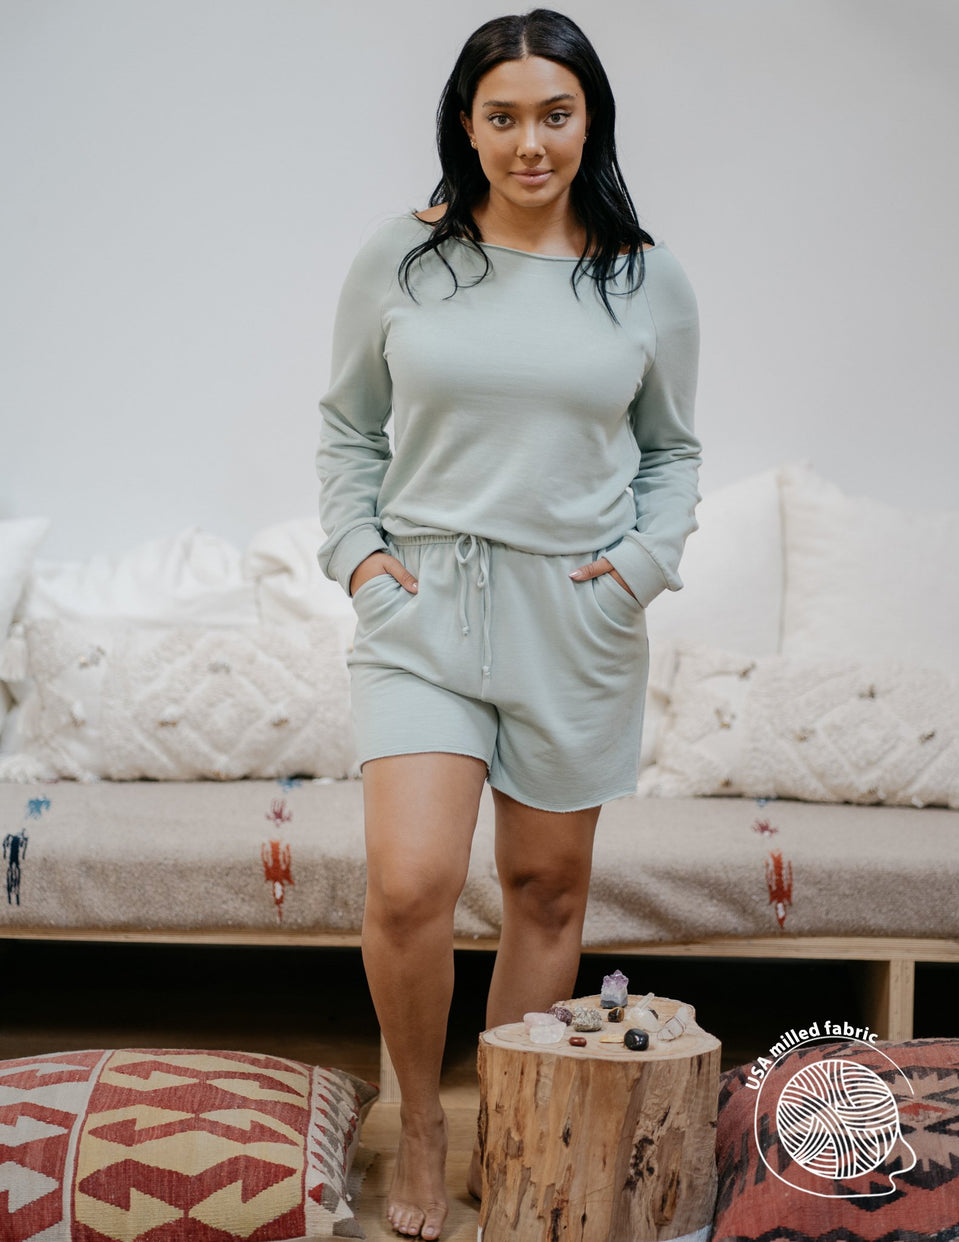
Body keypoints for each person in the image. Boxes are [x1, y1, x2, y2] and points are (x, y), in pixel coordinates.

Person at [315, 9, 702, 1237]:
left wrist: (638, 568)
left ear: (589, 122)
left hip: (575, 620)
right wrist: (358, 557)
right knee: (411, 885)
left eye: (555, 114)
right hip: (425, 605)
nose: (531, 142)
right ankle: (421, 1125)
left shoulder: (644, 277)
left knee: (543, 890)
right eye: (504, 116)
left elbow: (672, 451)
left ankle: (508, 1128)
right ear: (467, 125)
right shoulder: (403, 258)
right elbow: (348, 428)